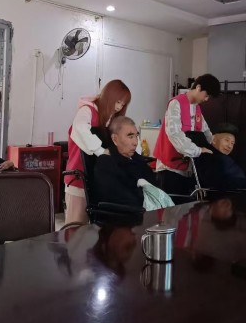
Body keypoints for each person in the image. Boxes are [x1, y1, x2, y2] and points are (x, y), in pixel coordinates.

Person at [64, 80, 131, 224]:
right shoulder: (87, 110)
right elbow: (80, 129)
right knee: (75, 228)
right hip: (79, 179)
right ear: (109, 96)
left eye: (123, 104)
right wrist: (101, 151)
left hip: (97, 181)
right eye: (118, 101)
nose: (119, 107)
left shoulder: (109, 119)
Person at [153, 74, 221, 195]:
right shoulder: (176, 103)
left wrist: (215, 144)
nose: (206, 99)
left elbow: (206, 132)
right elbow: (174, 134)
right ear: (198, 87)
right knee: (171, 205)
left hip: (187, 168)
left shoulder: (197, 109)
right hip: (169, 168)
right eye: (206, 95)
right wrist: (198, 151)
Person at [94, 116, 174, 210]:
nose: (135, 142)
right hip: (129, 215)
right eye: (130, 136)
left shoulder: (137, 159)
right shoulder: (106, 163)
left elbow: (155, 187)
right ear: (115, 139)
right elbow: (118, 199)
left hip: (155, 211)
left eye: (136, 136)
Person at [194, 122, 246, 190]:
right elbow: (219, 182)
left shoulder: (222, 157)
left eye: (232, 143)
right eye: (227, 140)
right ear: (213, 140)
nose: (230, 146)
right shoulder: (209, 156)